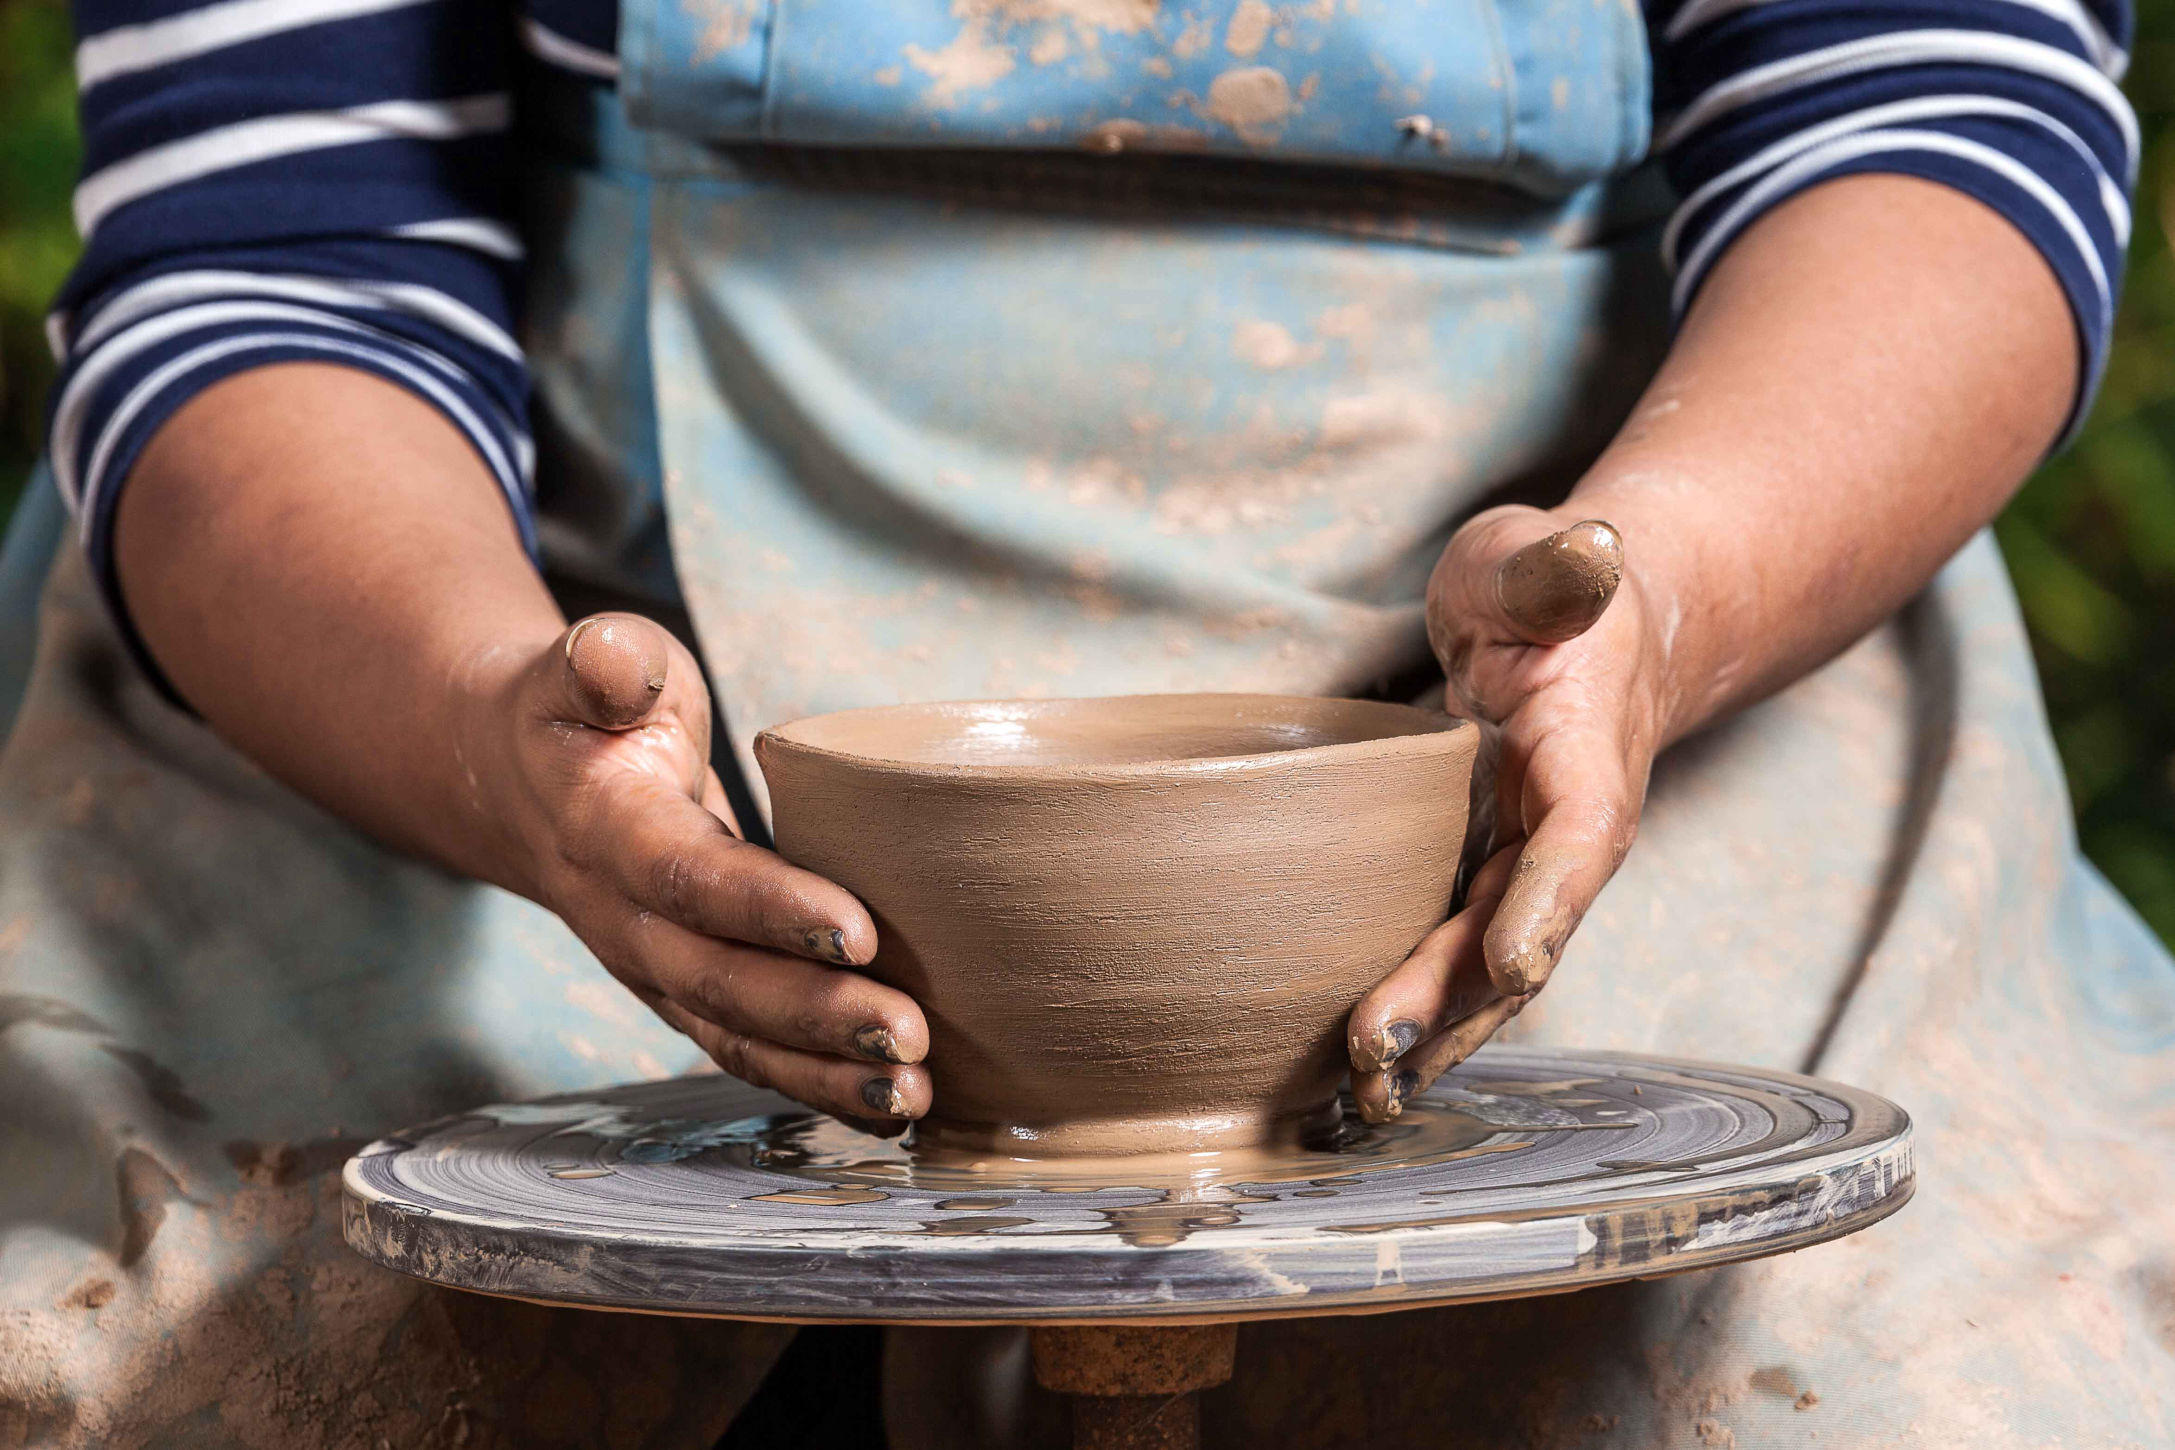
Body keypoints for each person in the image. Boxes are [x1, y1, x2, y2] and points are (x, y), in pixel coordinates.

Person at [2, 0, 2168, 1445]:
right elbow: (266, 256)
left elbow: (1932, 110)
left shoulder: (1657, 587)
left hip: (1639, 563)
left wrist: (1658, 597)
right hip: (527, 627)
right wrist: (502, 744)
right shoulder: (503, 695)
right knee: (188, 1349)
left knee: (1900, 1372)